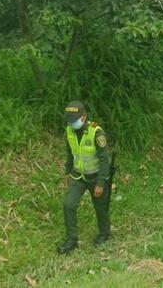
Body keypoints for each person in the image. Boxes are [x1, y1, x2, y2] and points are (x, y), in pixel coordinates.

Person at [57, 101, 111, 254]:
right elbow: (70, 153)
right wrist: (67, 172)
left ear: (84, 116)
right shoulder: (69, 130)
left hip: (95, 177)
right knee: (69, 204)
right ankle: (71, 241)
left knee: (101, 208)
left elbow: (104, 160)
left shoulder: (97, 132)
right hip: (78, 175)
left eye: (75, 119)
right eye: (70, 120)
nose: (72, 123)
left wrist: (101, 183)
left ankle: (104, 234)